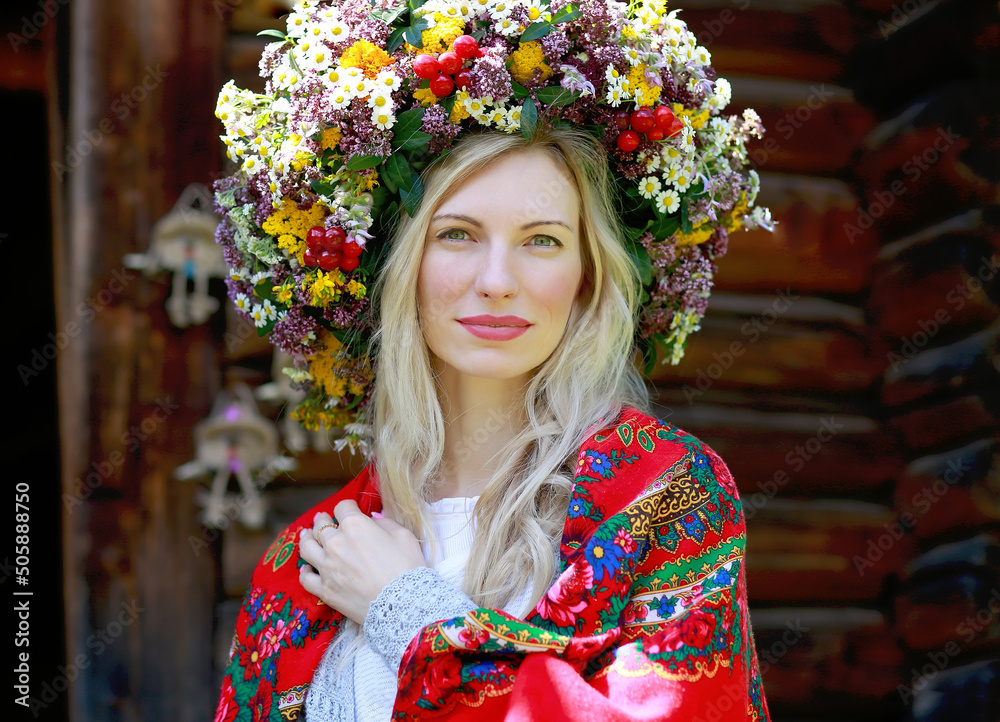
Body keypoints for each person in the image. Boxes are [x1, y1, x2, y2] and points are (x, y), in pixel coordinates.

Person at [211, 2, 776, 719]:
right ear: (398, 271)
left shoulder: (665, 496)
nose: (497, 279)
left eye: (541, 240)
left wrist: (407, 610)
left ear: (586, 278)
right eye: (456, 234)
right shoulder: (307, 563)